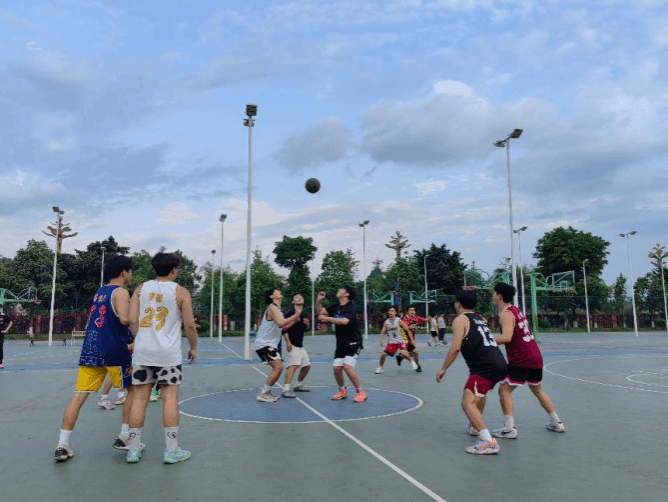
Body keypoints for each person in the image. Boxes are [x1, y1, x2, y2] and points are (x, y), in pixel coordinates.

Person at [54, 256, 136, 462]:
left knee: (79, 395)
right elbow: (125, 319)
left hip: (91, 349)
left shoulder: (100, 292)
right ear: (124, 272)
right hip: (114, 350)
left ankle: (62, 445)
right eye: (131, 272)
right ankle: (125, 436)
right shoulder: (121, 292)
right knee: (133, 391)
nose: (131, 275)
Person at [125, 252, 198, 464]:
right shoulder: (180, 292)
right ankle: (171, 450)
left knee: (139, 399)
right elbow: (190, 325)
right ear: (174, 269)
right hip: (168, 354)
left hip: (143, 352)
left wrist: (141, 339)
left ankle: (133, 449)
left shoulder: (140, 289)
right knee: (170, 398)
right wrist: (193, 347)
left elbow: (132, 320)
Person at [436, 289, 507, 455]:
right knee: (479, 394)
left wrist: (443, 368)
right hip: (499, 362)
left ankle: (488, 441)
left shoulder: (460, 319)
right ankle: (476, 427)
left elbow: (456, 347)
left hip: (485, 366)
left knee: (467, 403)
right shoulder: (480, 318)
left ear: (458, 304)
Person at [490, 283, 565, 439]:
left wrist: (486, 341)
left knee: (504, 390)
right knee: (538, 390)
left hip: (522, 358)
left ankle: (509, 429)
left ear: (500, 296)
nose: (492, 295)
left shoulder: (506, 314)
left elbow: (506, 337)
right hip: (535, 355)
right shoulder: (515, 310)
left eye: (494, 293)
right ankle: (556, 422)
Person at [316, 286, 367, 403]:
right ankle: (342, 390)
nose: (338, 290)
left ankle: (360, 392)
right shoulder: (335, 307)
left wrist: (327, 319)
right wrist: (319, 301)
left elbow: (345, 321)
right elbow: (320, 312)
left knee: (347, 367)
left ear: (347, 294)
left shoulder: (351, 307)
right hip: (341, 343)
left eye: (341, 289)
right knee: (337, 368)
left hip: (354, 342)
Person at [254, 288, 302, 402]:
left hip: (269, 344)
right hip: (264, 344)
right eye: (276, 291)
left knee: (278, 368)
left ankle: (267, 391)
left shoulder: (278, 310)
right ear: (272, 296)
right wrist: (295, 315)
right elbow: (281, 322)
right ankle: (263, 393)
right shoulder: (272, 308)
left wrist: (294, 321)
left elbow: (282, 327)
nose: (279, 291)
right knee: (278, 367)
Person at [281, 294, 312, 398]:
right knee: (293, 366)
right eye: (296, 297)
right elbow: (283, 329)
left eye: (300, 297)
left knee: (307, 366)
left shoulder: (304, 313)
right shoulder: (290, 314)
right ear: (293, 302)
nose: (299, 298)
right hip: (293, 344)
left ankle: (298, 385)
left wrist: (307, 324)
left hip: (300, 345)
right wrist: (288, 342)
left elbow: (305, 329)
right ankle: (286, 389)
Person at [375, 306, 418, 373]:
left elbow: (407, 330)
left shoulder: (399, 321)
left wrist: (412, 340)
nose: (390, 312)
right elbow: (382, 332)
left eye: (392, 311)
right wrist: (381, 340)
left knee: (404, 353)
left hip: (401, 341)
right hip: (392, 342)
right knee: (383, 354)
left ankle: (412, 362)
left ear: (395, 312)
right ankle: (380, 368)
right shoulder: (386, 322)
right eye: (389, 311)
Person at [402, 306, 426, 372]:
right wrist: (410, 327)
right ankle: (416, 365)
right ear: (407, 312)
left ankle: (416, 364)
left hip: (410, 340)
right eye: (410, 310)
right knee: (410, 352)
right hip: (404, 340)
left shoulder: (415, 318)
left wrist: (430, 319)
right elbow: (406, 328)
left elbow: (424, 320)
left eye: (413, 310)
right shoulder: (405, 319)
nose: (412, 312)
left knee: (415, 353)